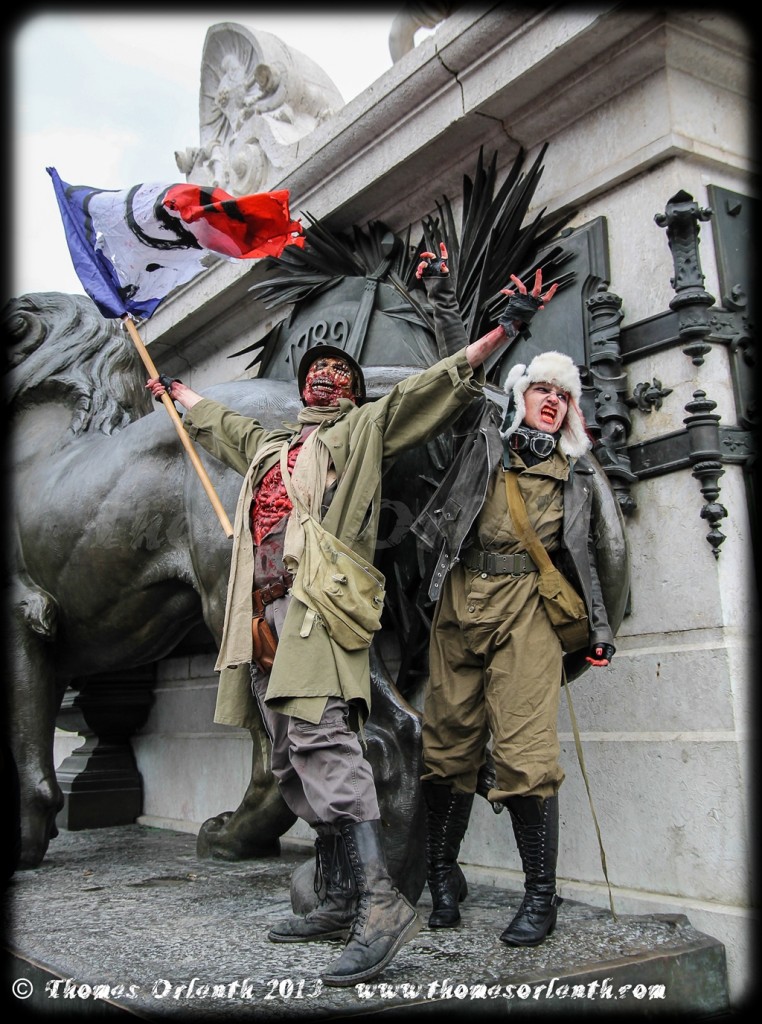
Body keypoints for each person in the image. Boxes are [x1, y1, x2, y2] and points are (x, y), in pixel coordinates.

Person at [145, 248, 554, 987]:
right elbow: (219, 425)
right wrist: (176, 392)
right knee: (290, 759)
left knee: (325, 744)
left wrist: (504, 330)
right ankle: (337, 896)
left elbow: (436, 385)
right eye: (317, 372)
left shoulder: (363, 430)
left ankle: (379, 903)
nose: (327, 377)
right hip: (262, 620)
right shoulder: (271, 447)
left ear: (355, 394)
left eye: (341, 373)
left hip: (319, 612)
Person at [410, 256, 619, 949]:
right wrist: (450, 300)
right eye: (542, 389)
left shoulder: (576, 477)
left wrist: (600, 629)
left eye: (564, 395)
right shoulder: (484, 437)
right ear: (521, 395)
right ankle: (442, 874)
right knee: (445, 748)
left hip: (527, 611)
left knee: (526, 754)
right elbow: (459, 372)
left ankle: (539, 897)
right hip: (458, 603)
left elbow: (592, 556)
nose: (552, 400)